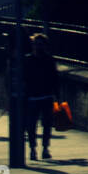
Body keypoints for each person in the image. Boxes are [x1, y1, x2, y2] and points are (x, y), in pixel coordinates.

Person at [23, 32, 59, 160]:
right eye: (36, 44)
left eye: (41, 44)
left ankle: (45, 148)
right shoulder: (28, 60)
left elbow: (55, 78)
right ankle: (33, 148)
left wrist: (57, 96)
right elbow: (24, 79)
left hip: (46, 96)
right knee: (31, 125)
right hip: (32, 97)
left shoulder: (49, 60)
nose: (38, 46)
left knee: (47, 124)